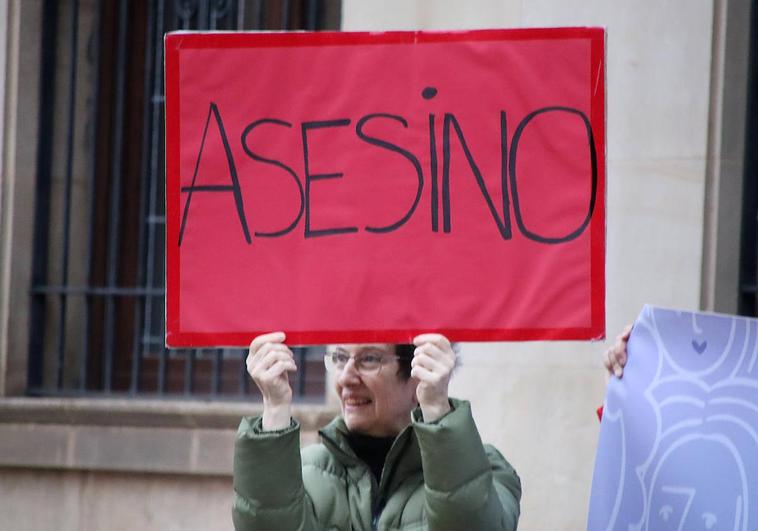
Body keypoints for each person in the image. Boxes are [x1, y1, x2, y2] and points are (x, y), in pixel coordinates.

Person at [232, 331, 522, 530]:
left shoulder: (484, 469)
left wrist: (436, 406)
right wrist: (274, 407)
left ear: (416, 377)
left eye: (369, 359)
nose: (346, 377)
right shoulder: (303, 472)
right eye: (340, 357)